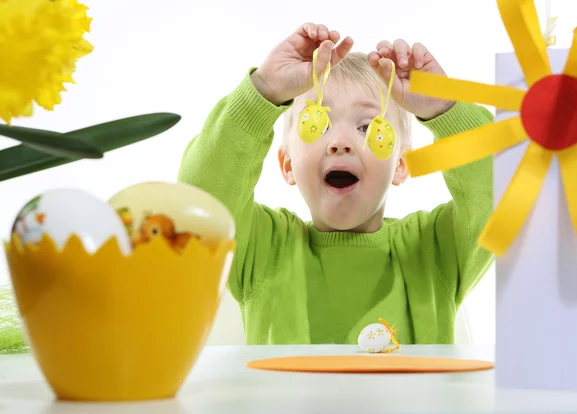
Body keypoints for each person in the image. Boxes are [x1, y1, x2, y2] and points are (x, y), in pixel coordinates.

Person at [178, 23, 494, 345]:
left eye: (367, 126)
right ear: (287, 164)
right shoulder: (263, 249)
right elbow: (198, 199)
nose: (340, 142)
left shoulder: (433, 253)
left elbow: (502, 193)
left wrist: (445, 109)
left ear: (400, 165)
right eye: (318, 122)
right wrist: (262, 92)